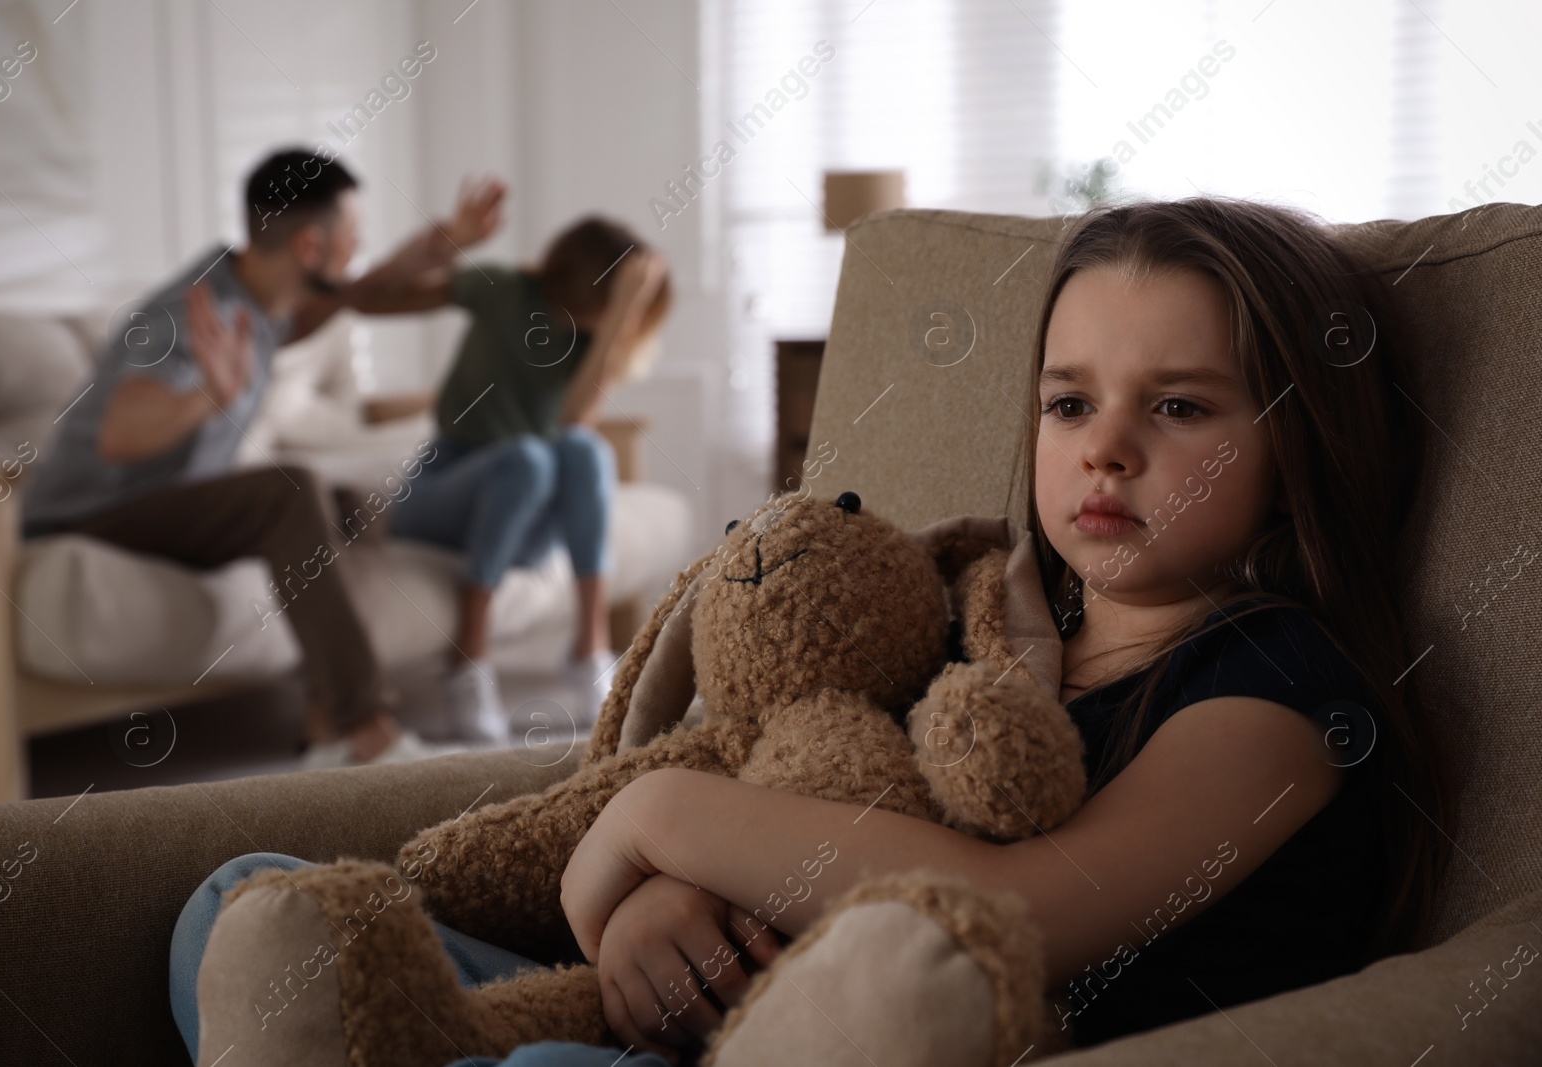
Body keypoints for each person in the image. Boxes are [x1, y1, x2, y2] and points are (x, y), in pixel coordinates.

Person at [170, 195, 1450, 1064]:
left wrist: (649, 821)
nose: (1105, 447)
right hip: (716, 1001)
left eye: (1177, 405)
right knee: (239, 900)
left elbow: (1008, 906)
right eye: (1068, 403)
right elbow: (811, 783)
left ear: (1299, 449)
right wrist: (640, 915)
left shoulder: (1278, 695)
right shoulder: (994, 624)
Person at [20, 147, 502, 768]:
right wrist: (205, 398)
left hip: (158, 507)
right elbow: (120, 434)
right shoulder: (191, 314)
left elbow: (355, 290)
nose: (356, 248)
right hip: (90, 517)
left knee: (345, 504)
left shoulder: (257, 299)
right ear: (308, 247)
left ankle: (328, 719)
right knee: (289, 491)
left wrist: (442, 245)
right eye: (351, 236)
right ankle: (365, 729)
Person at [313, 183, 672, 746]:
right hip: (443, 494)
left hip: (524, 520)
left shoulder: (591, 343)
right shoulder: (504, 290)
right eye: (625, 293)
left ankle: (588, 649)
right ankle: (469, 664)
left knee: (583, 450)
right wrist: (446, 243)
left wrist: (621, 315)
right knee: (528, 457)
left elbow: (576, 416)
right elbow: (368, 300)